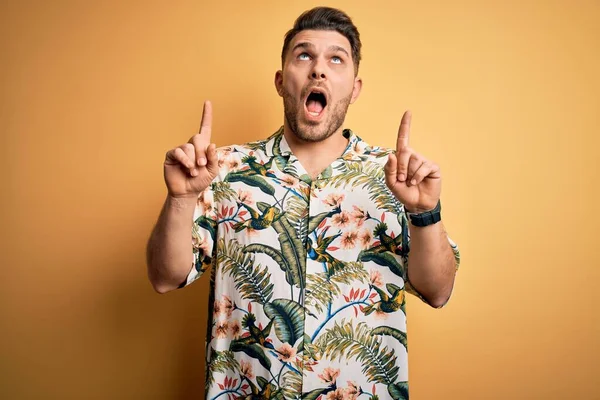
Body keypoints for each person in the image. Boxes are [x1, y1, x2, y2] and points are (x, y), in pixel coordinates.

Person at [146, 6, 460, 400]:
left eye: (335, 58)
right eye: (304, 55)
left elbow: (439, 292)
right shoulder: (221, 168)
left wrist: (424, 213)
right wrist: (180, 198)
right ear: (281, 81)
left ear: (355, 87)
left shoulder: (396, 178)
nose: (318, 70)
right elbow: (164, 277)